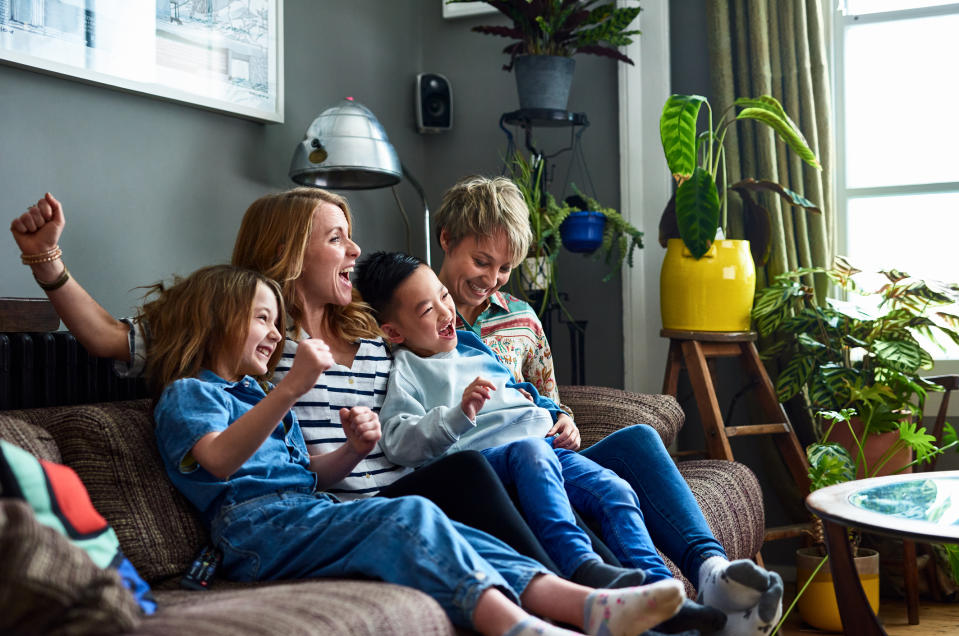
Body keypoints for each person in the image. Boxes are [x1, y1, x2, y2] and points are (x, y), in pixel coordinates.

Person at [9, 190, 558, 574]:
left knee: (507, 462)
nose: (355, 252)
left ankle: (576, 583)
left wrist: (543, 404)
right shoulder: (249, 338)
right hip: (343, 505)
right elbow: (109, 339)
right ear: (292, 250)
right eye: (338, 239)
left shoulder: (371, 324)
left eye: (351, 238)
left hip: (411, 476)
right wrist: (47, 261)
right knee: (471, 473)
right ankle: (568, 589)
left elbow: (453, 347)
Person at [141, 263, 687, 636]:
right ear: (215, 319)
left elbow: (307, 475)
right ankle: (517, 626)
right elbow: (216, 460)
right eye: (261, 318)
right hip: (253, 533)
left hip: (305, 511)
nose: (273, 332)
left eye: (274, 319)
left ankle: (587, 606)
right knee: (412, 515)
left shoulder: (253, 396)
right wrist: (289, 391)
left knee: (461, 533)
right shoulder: (190, 394)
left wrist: (352, 451)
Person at [432, 176, 784, 636]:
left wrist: (566, 422)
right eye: (481, 261)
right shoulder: (415, 315)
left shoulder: (520, 316)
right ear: (446, 239)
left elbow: (549, 399)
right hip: (493, 466)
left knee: (638, 438)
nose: (491, 278)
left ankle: (711, 571)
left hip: (546, 451)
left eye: (504, 268)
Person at [355, 250, 654, 590]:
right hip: (497, 458)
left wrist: (555, 414)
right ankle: (580, 565)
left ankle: (659, 586)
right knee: (532, 452)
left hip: (546, 445)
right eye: (426, 310)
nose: (444, 311)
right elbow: (397, 439)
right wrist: (458, 415)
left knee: (615, 489)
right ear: (394, 333)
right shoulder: (408, 370)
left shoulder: (472, 347)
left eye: (442, 296)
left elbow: (520, 389)